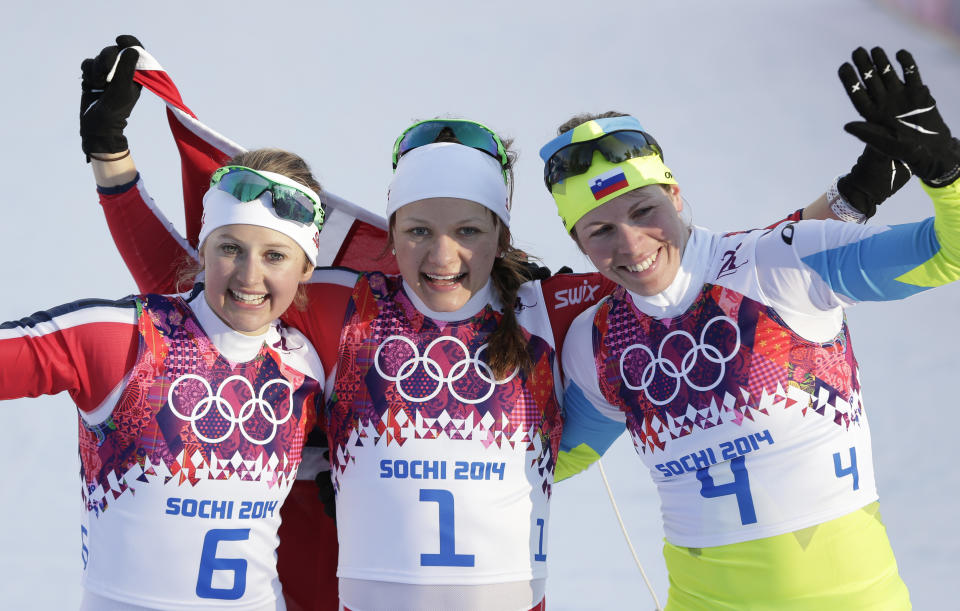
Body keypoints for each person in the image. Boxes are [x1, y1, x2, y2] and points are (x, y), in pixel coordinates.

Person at [84, 36, 911, 610]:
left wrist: (851, 200)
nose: (443, 257)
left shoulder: (550, 309)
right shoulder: (348, 307)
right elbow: (208, 292)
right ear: (396, 233)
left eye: (469, 232)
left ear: (501, 239)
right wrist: (114, 165)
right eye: (418, 231)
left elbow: (704, 268)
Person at [550, 46, 960, 608]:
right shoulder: (597, 339)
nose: (631, 244)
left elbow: (947, 255)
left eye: (644, 210)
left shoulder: (782, 262)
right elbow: (551, 460)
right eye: (599, 230)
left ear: (673, 193)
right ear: (577, 242)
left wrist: (948, 172)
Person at [1, 137, 331, 610]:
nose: (249, 277)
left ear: (305, 268)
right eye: (231, 248)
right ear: (202, 251)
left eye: (275, 256)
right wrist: (108, 154)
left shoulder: (307, 369)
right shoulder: (126, 339)